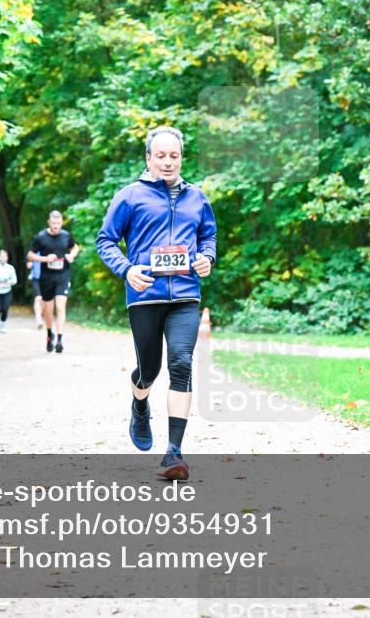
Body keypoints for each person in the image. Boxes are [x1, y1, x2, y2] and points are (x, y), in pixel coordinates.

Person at [96, 126, 217, 481]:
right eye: (160, 155)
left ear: (182, 158)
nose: (168, 162)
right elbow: (105, 240)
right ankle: (139, 403)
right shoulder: (129, 196)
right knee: (148, 370)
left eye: (174, 156)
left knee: (181, 362)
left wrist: (207, 258)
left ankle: (174, 453)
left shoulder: (197, 197)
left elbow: (207, 236)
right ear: (149, 158)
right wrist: (126, 269)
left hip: (185, 295)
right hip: (144, 296)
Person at [28, 211, 80, 353]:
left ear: (61, 223)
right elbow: (30, 255)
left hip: (63, 275)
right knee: (48, 310)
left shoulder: (66, 235)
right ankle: (49, 333)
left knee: (61, 306)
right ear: (49, 222)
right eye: (53, 223)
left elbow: (75, 247)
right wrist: (45, 259)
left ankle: (60, 339)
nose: (56, 226)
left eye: (58, 223)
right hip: (47, 277)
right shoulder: (41, 237)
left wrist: (71, 256)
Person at [27, 253, 44, 329]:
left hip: (47, 279)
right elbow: (28, 259)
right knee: (38, 298)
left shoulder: (50, 248)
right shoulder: (34, 250)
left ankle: (40, 315)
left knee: (44, 300)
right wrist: (29, 263)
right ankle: (38, 319)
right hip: (36, 278)